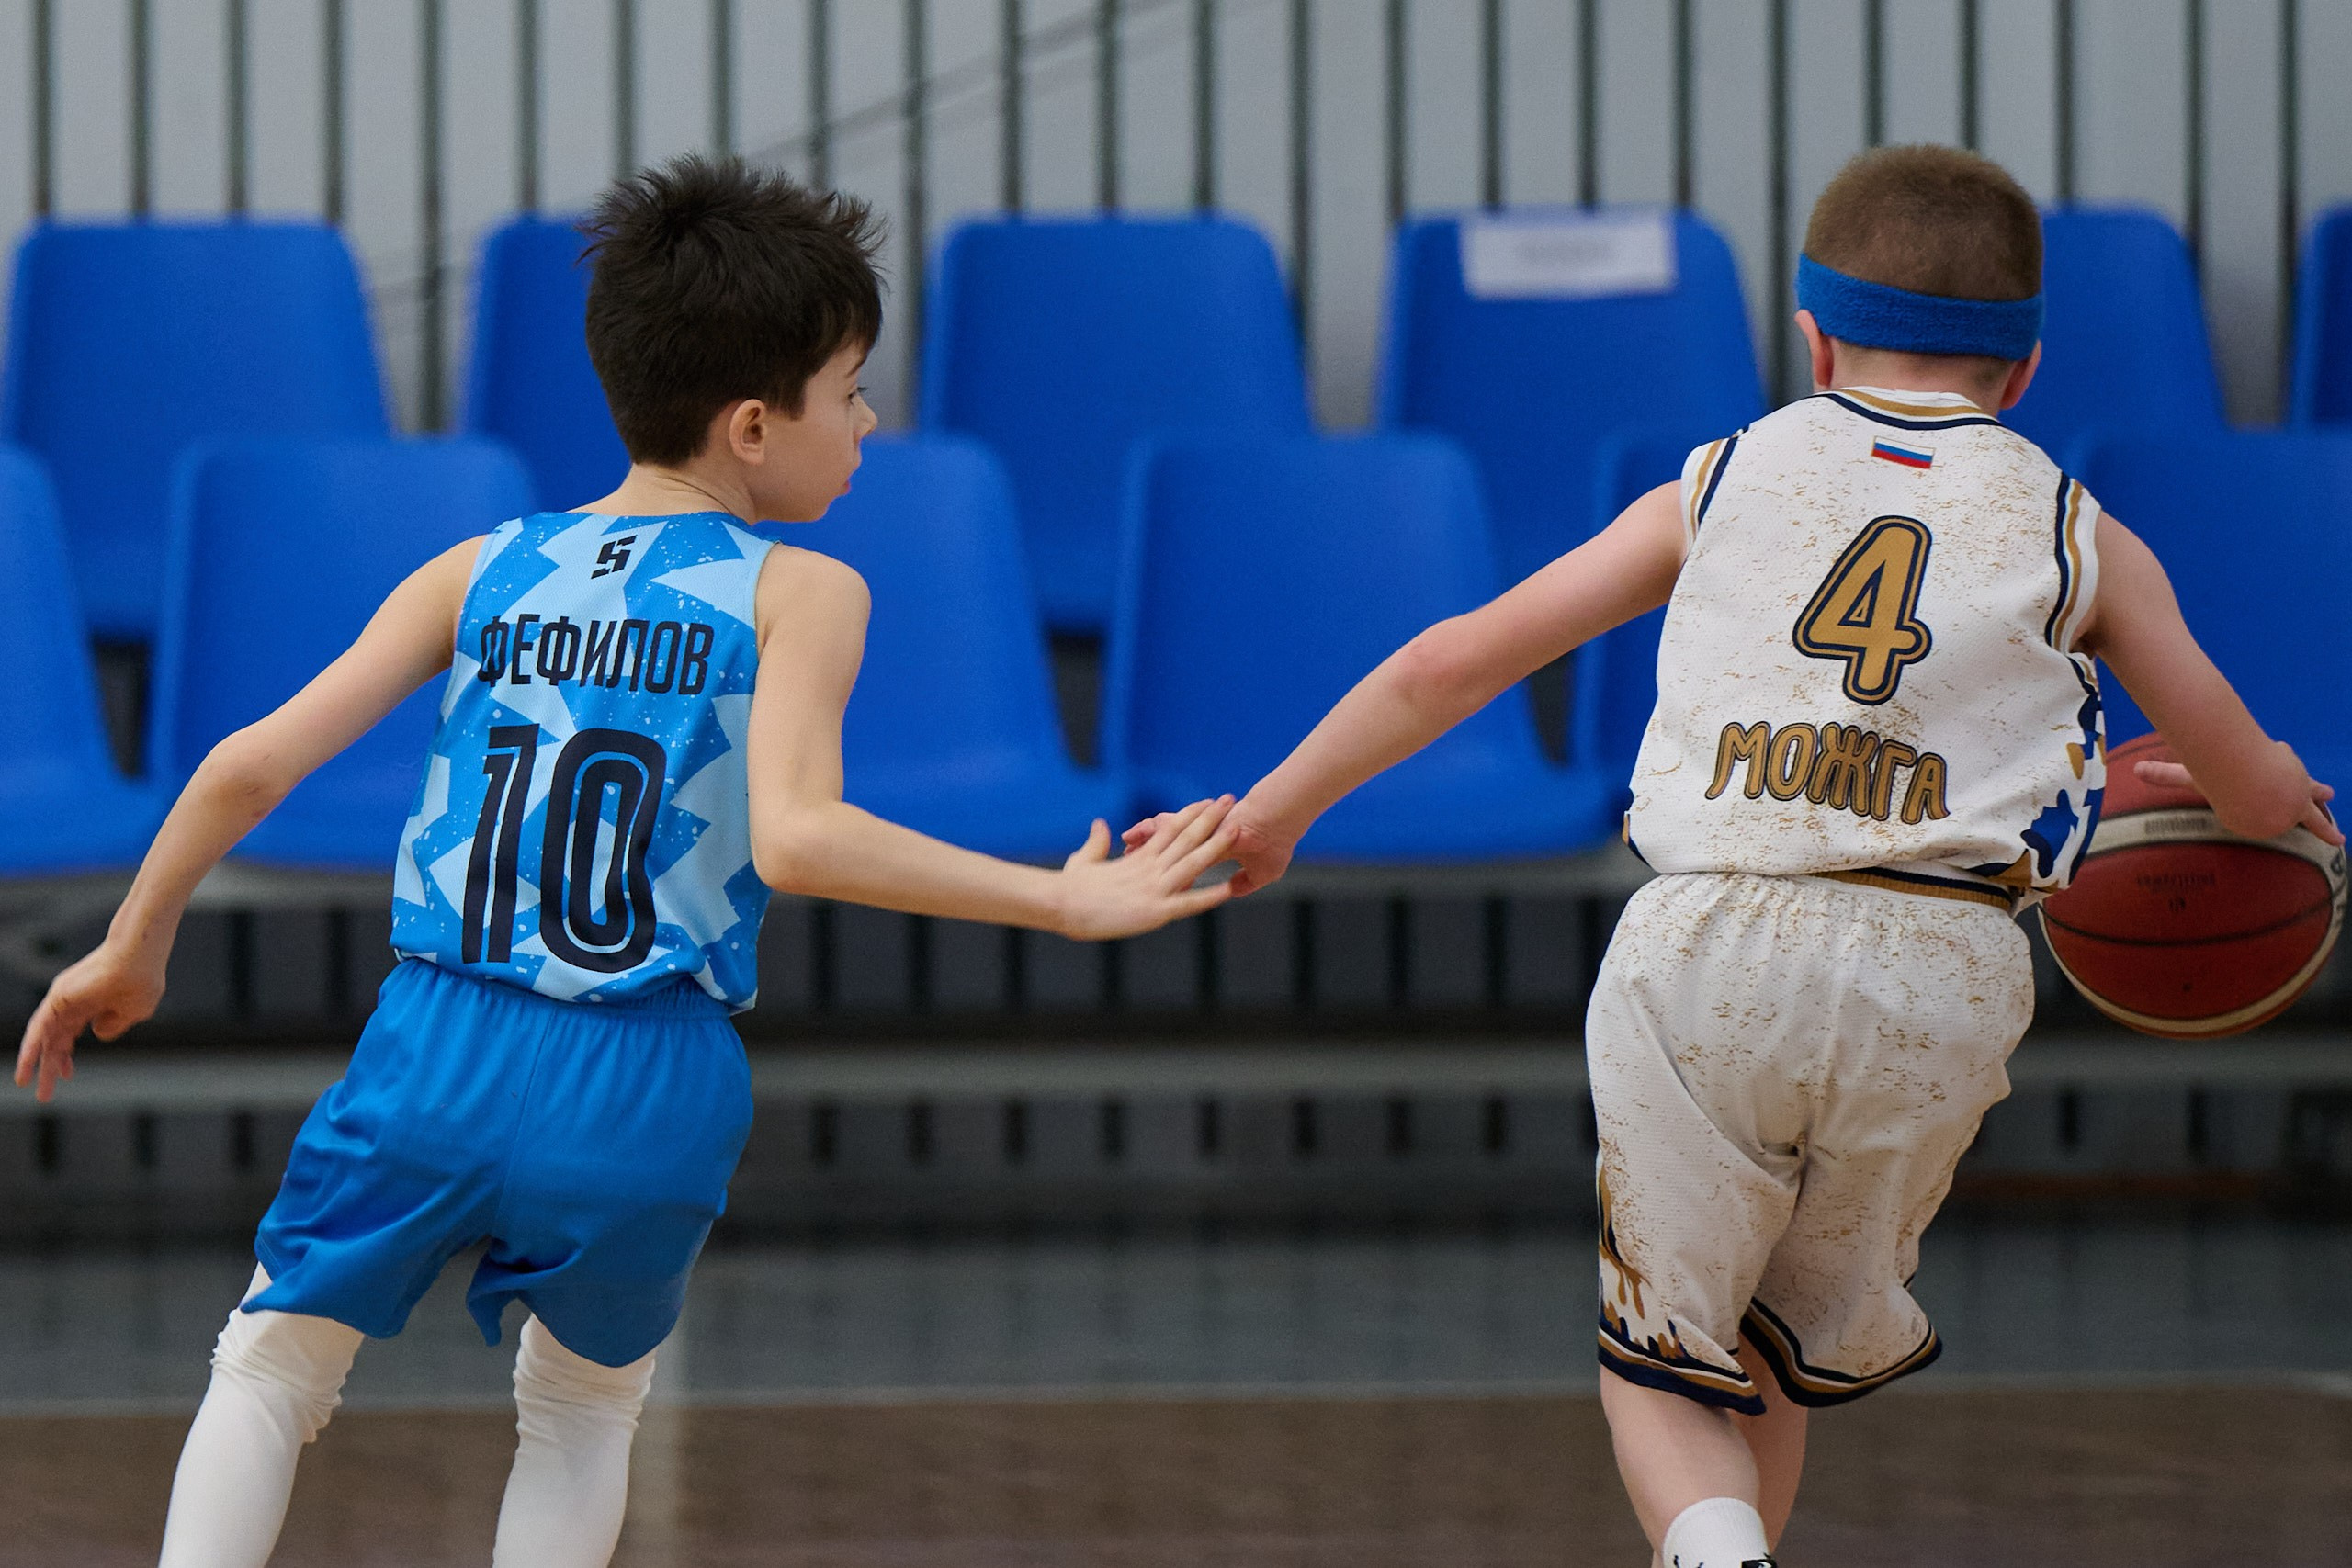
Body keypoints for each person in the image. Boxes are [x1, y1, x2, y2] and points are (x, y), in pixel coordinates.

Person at [15, 154, 1238, 1568]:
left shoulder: (482, 568)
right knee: (581, 1416)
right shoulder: (803, 589)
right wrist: (1057, 899)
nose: (868, 421)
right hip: (647, 1071)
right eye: (850, 391)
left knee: (274, 1367)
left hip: (435, 1045)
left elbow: (244, 763)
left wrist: (136, 940)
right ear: (754, 425)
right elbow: (797, 836)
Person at [1126, 144, 2340, 1566]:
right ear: (2023, 372)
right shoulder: (2084, 534)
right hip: (1945, 968)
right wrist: (2275, 798)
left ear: (1813, 339)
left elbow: (1448, 664)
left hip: (1711, 947)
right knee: (1769, 1350)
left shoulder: (1719, 482)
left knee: (1662, 1363)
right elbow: (2242, 778)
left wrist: (1274, 812)